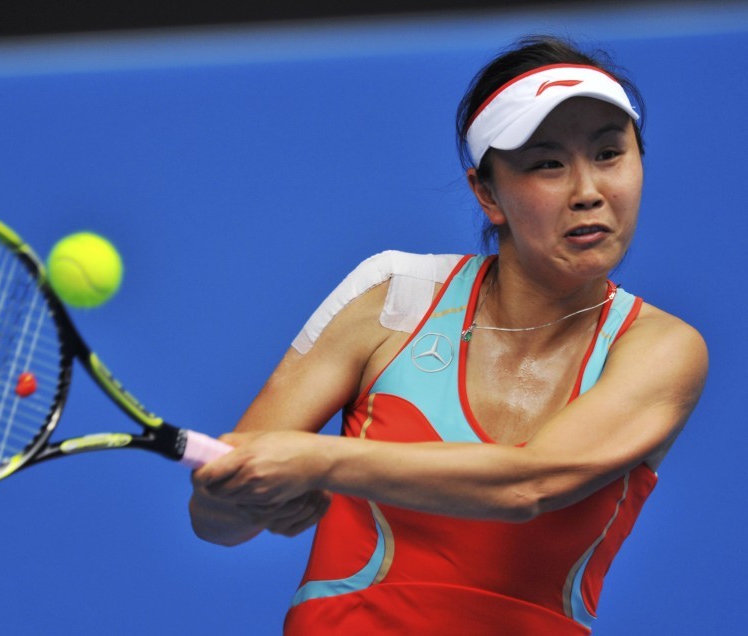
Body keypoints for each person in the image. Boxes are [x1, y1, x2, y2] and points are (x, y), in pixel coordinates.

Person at [189, 35, 708, 635]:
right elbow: (218, 523)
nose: (588, 190)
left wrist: (319, 460)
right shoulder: (391, 297)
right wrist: (230, 496)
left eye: (610, 153)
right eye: (547, 163)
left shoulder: (661, 349)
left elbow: (531, 484)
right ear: (487, 193)